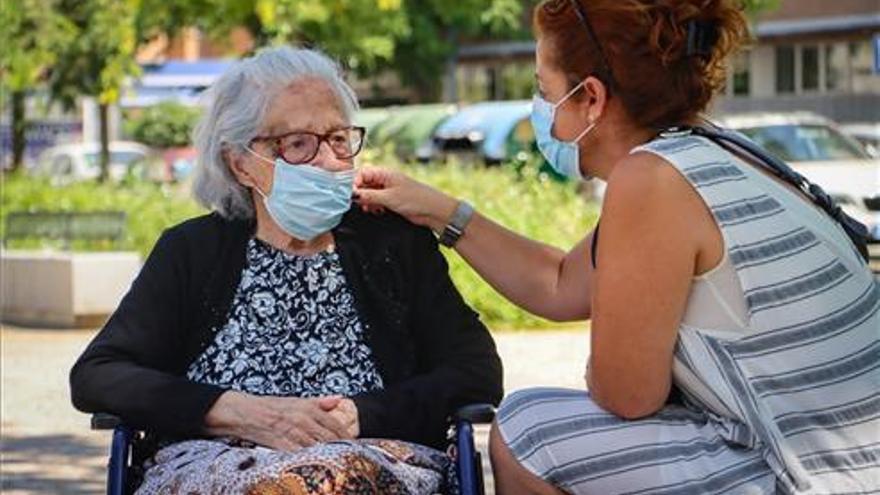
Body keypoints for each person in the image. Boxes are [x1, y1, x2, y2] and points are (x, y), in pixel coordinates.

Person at [353, 1, 880, 494]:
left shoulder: (649, 181)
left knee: (525, 430)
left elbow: (626, 395)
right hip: (847, 457)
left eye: (544, 90)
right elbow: (561, 282)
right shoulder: (712, 150)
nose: (542, 112)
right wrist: (440, 210)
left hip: (820, 477)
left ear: (590, 98)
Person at [69, 46, 502, 494]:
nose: (330, 161)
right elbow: (97, 375)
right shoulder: (192, 251)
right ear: (241, 163)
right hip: (218, 466)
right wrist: (237, 411)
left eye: (338, 138)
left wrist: (360, 415)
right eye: (298, 144)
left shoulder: (393, 244)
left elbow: (476, 369)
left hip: (367, 459)